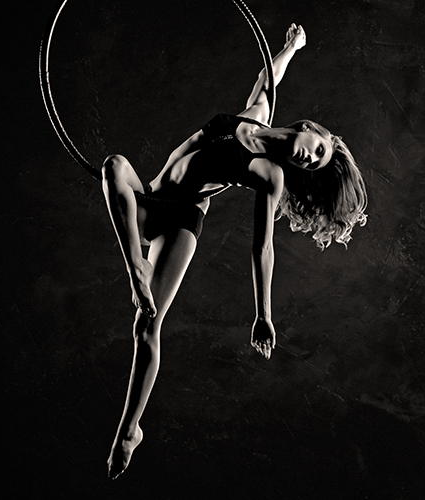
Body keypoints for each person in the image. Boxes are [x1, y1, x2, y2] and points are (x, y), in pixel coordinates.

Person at [101, 23, 367, 479]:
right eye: (318, 149)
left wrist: (264, 313)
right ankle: (135, 268)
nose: (309, 158)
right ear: (312, 129)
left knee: (147, 323)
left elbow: (262, 247)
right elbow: (268, 79)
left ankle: (129, 430)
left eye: (315, 164)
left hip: (181, 221)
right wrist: (292, 46)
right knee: (114, 167)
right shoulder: (255, 116)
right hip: (149, 199)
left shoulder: (271, 175)